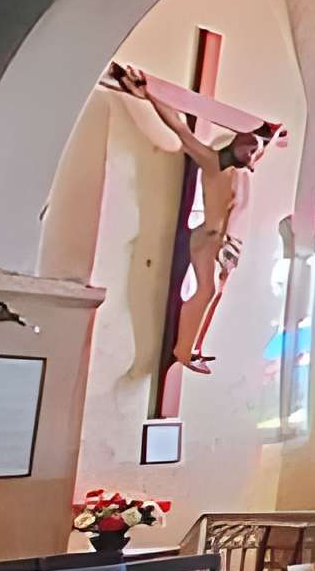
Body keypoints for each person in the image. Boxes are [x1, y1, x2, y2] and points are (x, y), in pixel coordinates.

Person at [113, 63, 273, 373]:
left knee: (216, 293)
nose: (253, 157)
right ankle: (183, 350)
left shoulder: (241, 175)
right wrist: (149, 94)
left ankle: (194, 346)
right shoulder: (211, 161)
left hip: (228, 245)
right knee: (207, 290)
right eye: (251, 149)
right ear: (237, 143)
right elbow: (180, 128)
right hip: (210, 238)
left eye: (257, 153)